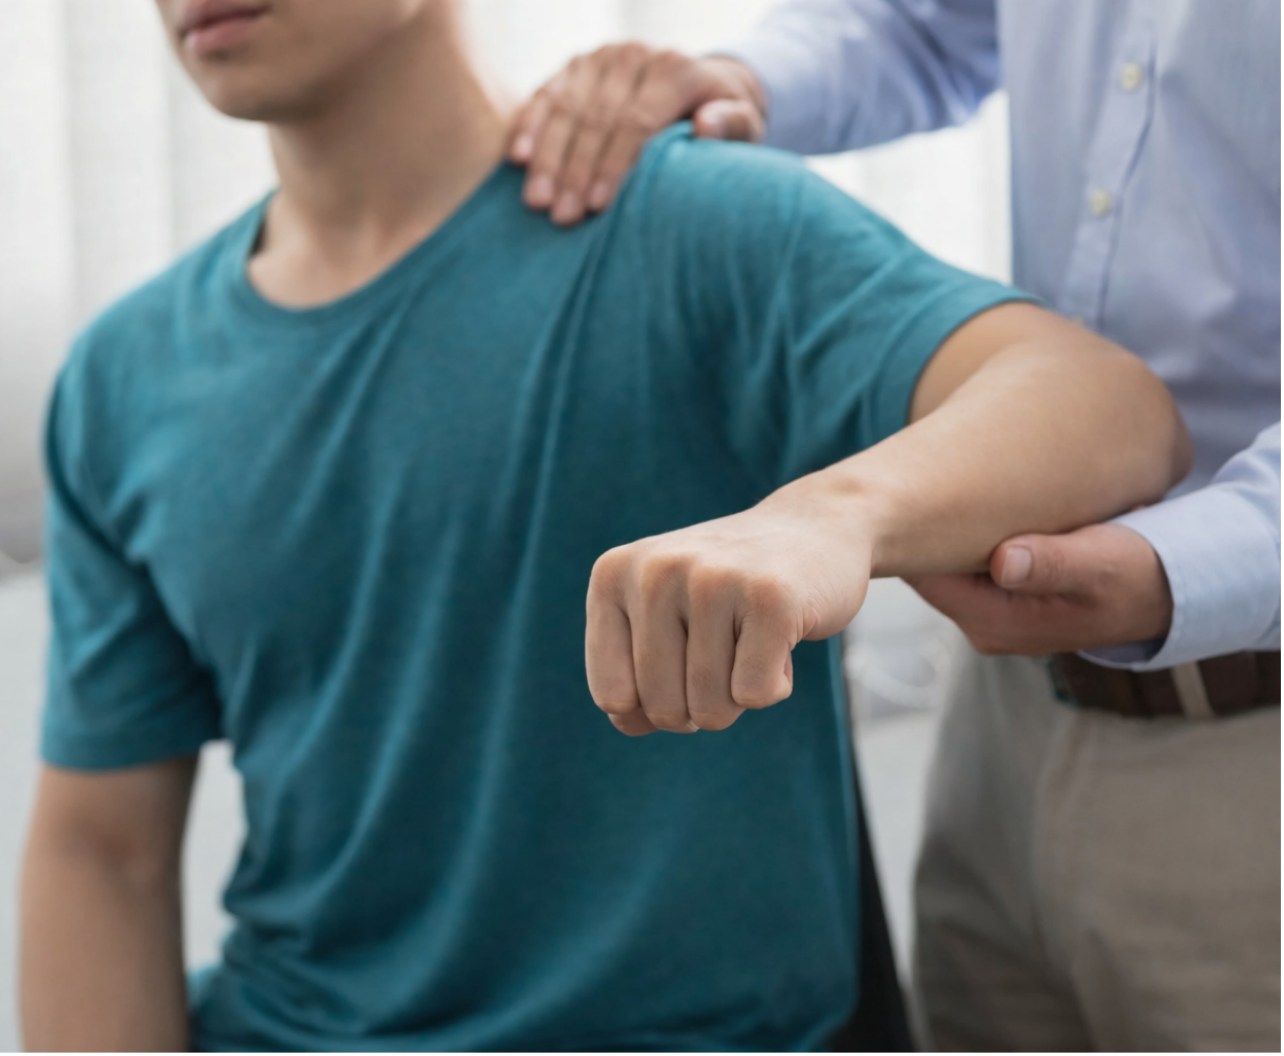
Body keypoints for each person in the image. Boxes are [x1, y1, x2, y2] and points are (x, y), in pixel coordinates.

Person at [18, 0, 1190, 1052]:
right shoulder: (125, 379)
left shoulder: (703, 231)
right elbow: (102, 848)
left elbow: (1109, 410)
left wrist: (832, 520)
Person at [507, 0, 1283, 1050]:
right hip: (1010, 709)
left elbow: (1122, 419)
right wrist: (740, 76)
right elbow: (928, 24)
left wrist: (1172, 570)